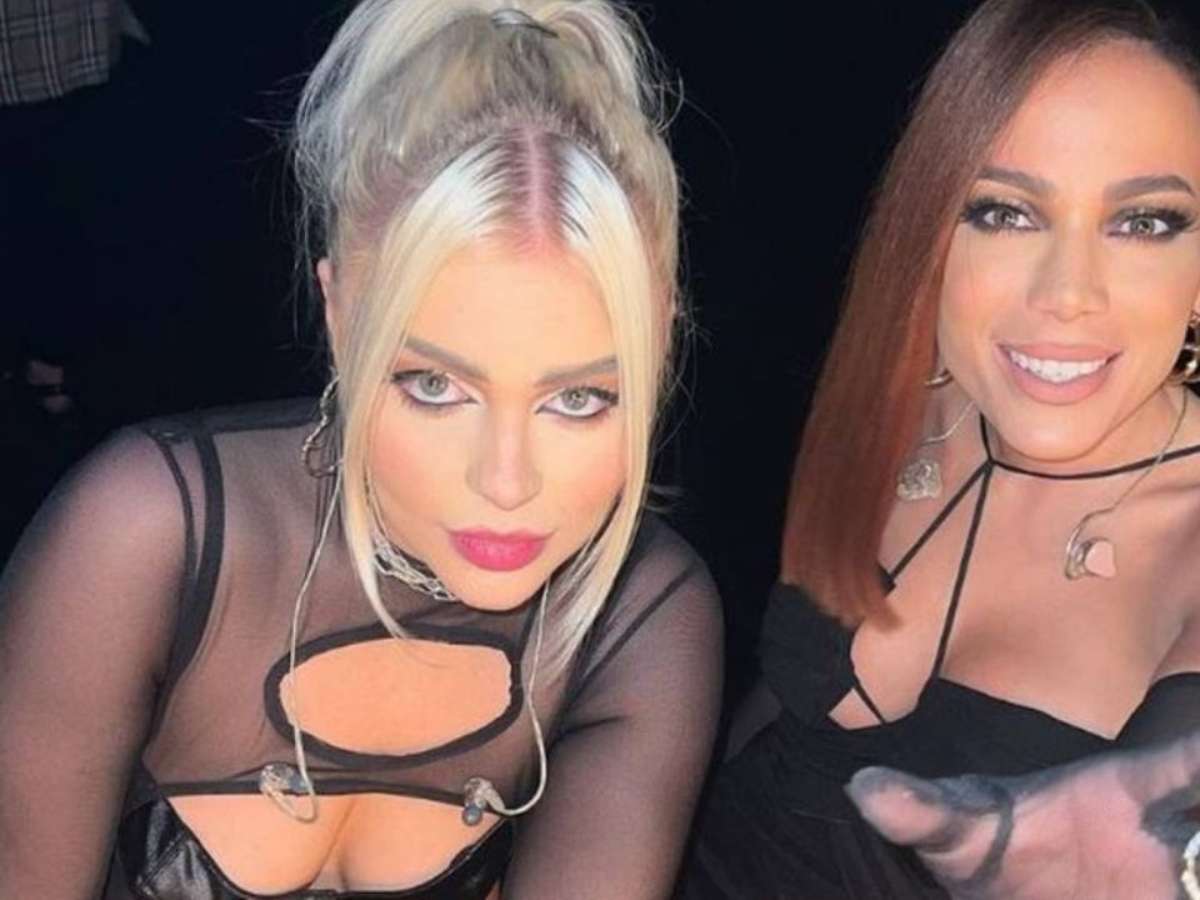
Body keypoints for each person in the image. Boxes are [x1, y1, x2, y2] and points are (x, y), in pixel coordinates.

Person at [0, 1, 722, 897]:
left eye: (577, 399)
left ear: (661, 342)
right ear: (342, 317)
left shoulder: (640, 619)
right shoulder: (151, 539)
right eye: (436, 386)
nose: (506, 482)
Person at [680, 0, 1200, 897]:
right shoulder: (908, 405)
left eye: (1143, 223)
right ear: (929, 233)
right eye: (1004, 213)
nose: (1067, 293)